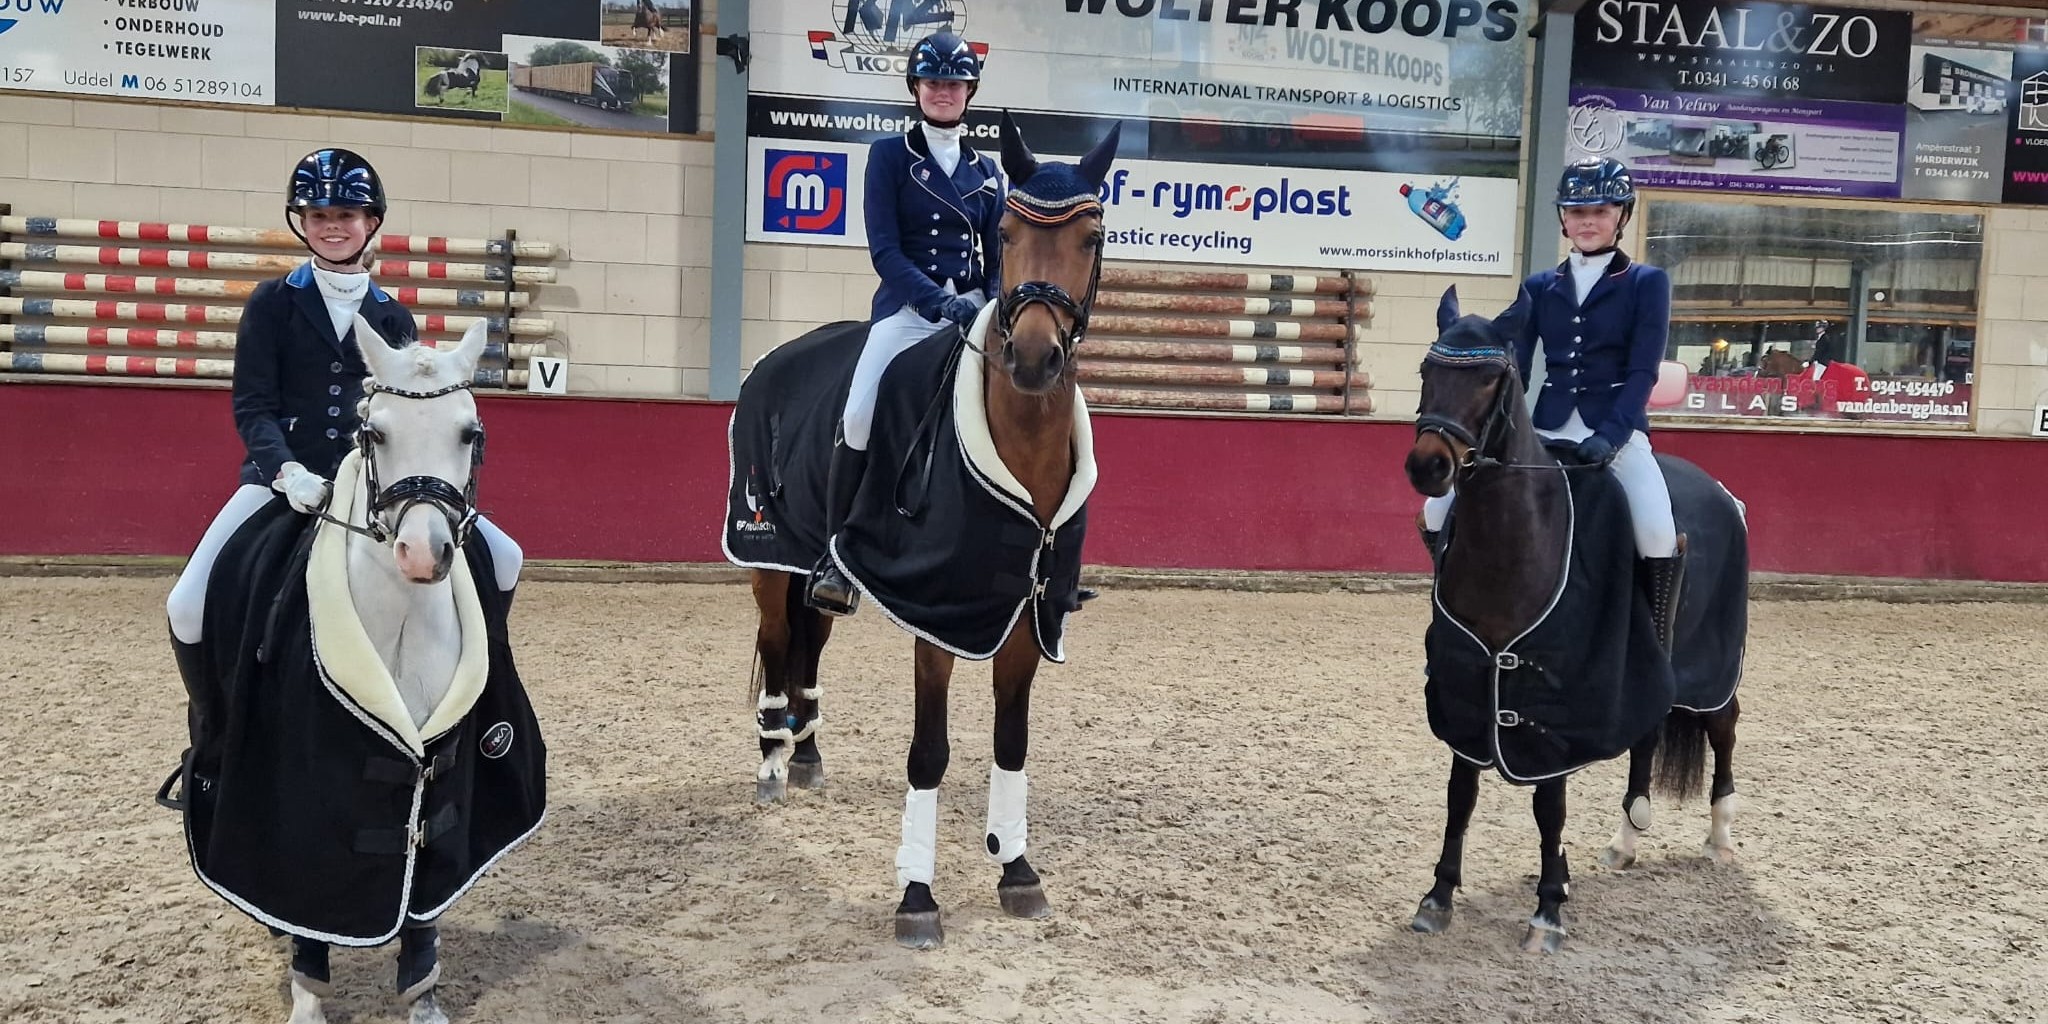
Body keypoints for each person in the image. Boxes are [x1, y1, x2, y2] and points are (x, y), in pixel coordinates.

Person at [1419, 157, 1687, 652]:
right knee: (1437, 510)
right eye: (1577, 211)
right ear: (1563, 217)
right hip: (1546, 428)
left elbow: (1643, 371)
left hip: (1616, 431)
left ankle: (1655, 643)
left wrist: (1611, 436)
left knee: (1656, 530)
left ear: (1622, 215)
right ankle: (1456, 617)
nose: (1588, 221)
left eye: (1601, 211)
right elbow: (1515, 369)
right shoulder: (1541, 286)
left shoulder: (1647, 283)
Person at [806, 30, 1005, 616]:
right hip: (909, 312)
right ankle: (837, 558)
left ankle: (1033, 562)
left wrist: (991, 304)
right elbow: (885, 251)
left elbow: (999, 260)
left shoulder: (988, 171)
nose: (944, 91)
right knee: (859, 413)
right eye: (934, 81)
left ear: (969, 91)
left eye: (955, 83)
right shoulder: (890, 156)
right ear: (917, 88)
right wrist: (938, 302)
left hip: (974, 315)